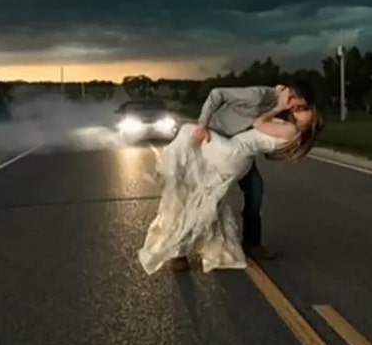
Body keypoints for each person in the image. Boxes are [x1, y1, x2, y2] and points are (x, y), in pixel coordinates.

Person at [137, 83, 322, 275]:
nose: (294, 108)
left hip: (232, 152)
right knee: (198, 195)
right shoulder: (258, 95)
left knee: (250, 191)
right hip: (217, 140)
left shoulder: (286, 116)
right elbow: (216, 94)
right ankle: (179, 252)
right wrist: (202, 125)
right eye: (295, 104)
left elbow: (268, 132)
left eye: (300, 108)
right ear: (288, 92)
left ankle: (251, 243)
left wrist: (282, 111)